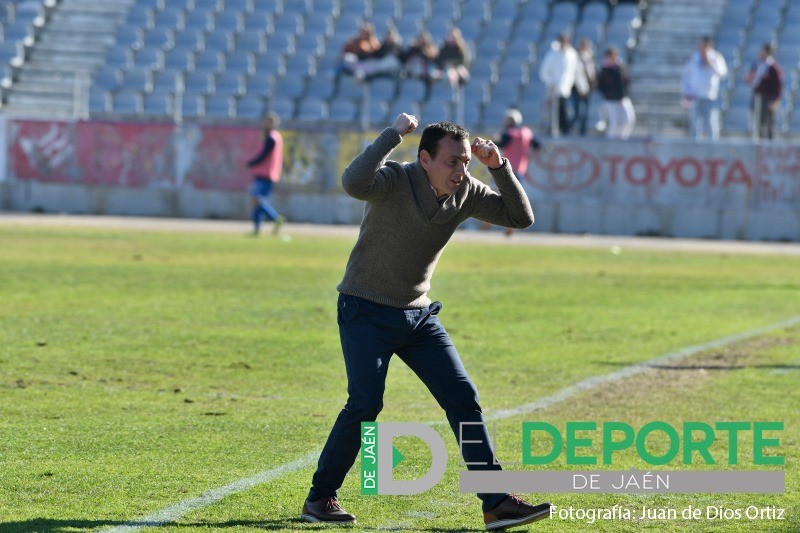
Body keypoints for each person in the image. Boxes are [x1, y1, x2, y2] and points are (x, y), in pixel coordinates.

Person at [300, 113, 551, 530]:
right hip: (365, 308)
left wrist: (499, 166)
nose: (461, 169)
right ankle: (320, 498)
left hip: (417, 316)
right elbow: (353, 182)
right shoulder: (395, 179)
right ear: (425, 159)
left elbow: (520, 217)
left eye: (466, 161)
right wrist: (392, 134)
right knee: (365, 403)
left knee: (463, 397)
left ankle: (496, 501)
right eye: (453, 161)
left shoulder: (467, 190)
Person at [492, 108, 541, 236]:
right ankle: (510, 228)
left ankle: (486, 224)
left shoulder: (508, 133)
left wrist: (495, 139)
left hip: (506, 170)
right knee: (515, 201)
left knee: (493, 195)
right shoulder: (526, 133)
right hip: (520, 171)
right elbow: (537, 145)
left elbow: (501, 144)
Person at [681, 36, 728, 140]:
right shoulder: (694, 57)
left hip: (710, 95)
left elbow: (723, 73)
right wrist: (685, 91)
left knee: (711, 122)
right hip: (695, 95)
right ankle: (694, 145)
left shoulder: (716, 57)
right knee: (695, 122)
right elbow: (687, 75)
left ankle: (713, 144)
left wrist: (710, 63)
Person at [247, 113, 285, 235]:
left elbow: (264, 155)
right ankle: (257, 229)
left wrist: (251, 163)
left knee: (256, 200)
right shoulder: (275, 136)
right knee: (257, 201)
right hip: (267, 173)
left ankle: (275, 218)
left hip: (266, 173)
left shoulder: (271, 138)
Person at [538, 33, 579, 136]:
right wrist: (552, 82)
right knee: (553, 113)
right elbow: (544, 72)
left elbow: (574, 72)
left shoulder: (572, 55)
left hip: (565, 89)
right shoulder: (553, 54)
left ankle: (563, 132)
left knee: (564, 111)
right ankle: (551, 132)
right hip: (553, 89)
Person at [744, 43, 783, 140]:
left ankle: (771, 146)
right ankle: (759, 143)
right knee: (758, 123)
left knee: (769, 123)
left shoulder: (773, 67)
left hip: (769, 98)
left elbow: (778, 85)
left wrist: (775, 100)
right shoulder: (756, 64)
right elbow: (751, 77)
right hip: (757, 97)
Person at [596, 46, 636, 139]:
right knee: (614, 122)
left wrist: (624, 94)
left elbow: (626, 82)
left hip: (623, 98)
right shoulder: (604, 70)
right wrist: (609, 94)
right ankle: (609, 142)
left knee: (629, 120)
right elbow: (601, 86)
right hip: (611, 100)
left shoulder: (621, 67)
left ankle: (622, 139)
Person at [333, 22, 381, 90]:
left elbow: (377, 56)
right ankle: (335, 76)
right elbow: (344, 53)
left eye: (364, 32)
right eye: (361, 31)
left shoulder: (374, 43)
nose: (362, 33)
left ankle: (360, 79)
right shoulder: (353, 42)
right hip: (356, 64)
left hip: (368, 65)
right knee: (346, 60)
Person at [569, 38, 597, 136]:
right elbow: (577, 75)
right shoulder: (575, 58)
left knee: (585, 113)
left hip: (588, 90)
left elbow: (592, 74)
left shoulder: (589, 58)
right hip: (577, 89)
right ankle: (567, 129)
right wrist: (582, 89)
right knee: (577, 113)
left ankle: (583, 132)